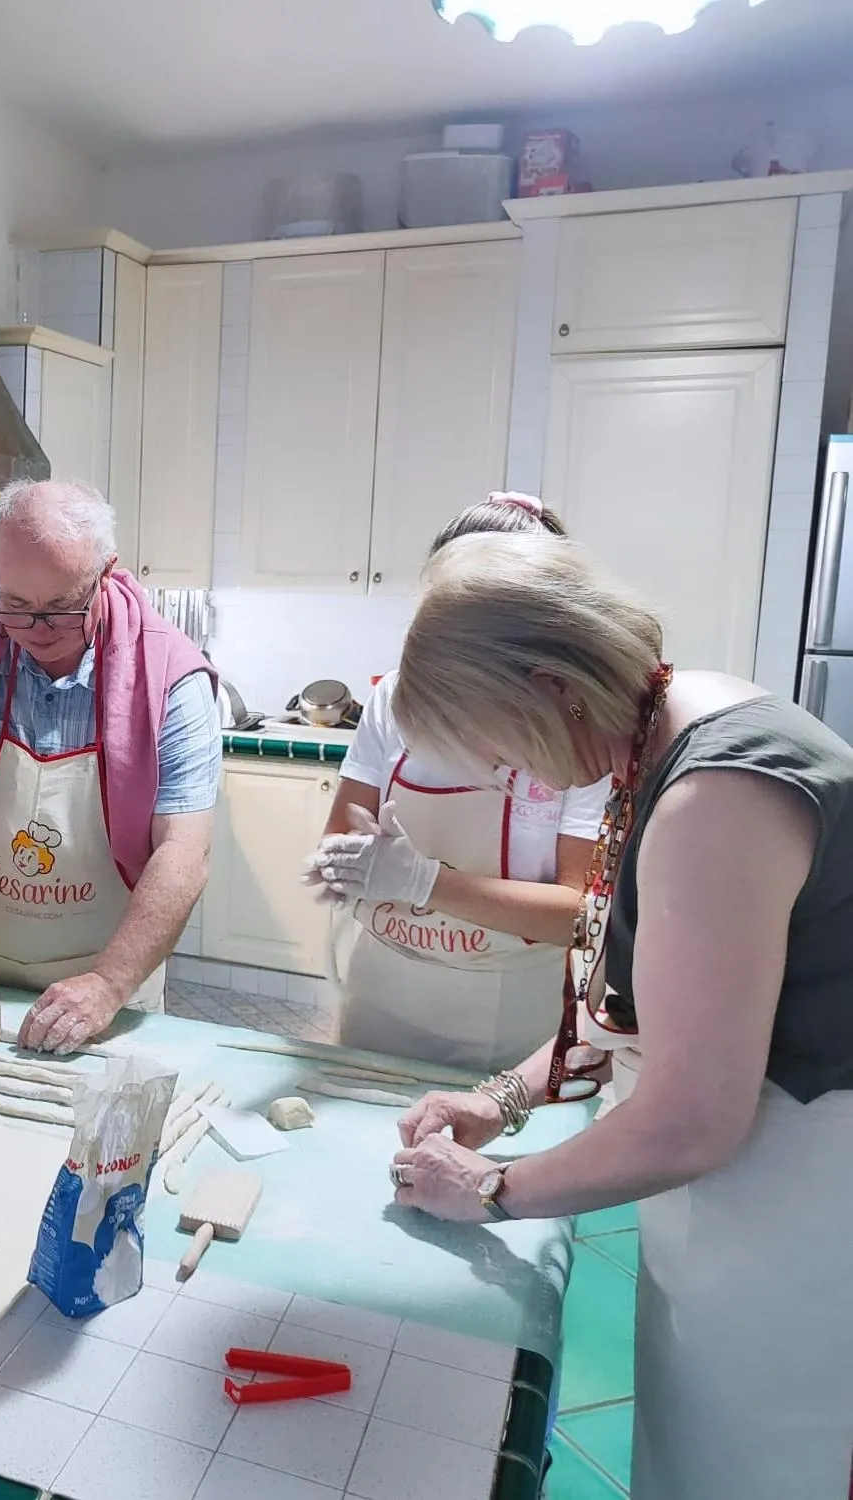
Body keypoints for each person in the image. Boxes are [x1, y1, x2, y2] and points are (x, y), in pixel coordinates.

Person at [384, 531, 853, 1500]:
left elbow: (694, 1118)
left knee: (754, 1471)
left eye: (504, 746)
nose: (516, 777)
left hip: (804, 1218)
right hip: (743, 1206)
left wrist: (492, 1185)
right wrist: (499, 1098)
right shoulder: (668, 731)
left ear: (553, 686)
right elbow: (622, 1010)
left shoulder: (714, 800)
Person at [0, 479, 221, 1054]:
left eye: (61, 609)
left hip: (110, 995)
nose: (38, 632)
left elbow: (184, 853)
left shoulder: (171, 679)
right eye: (15, 606)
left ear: (105, 573)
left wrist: (109, 983)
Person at [307, 495, 608, 1072]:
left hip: (509, 1017)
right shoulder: (394, 698)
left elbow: (583, 915)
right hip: (384, 991)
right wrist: (347, 862)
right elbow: (340, 833)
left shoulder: (576, 719)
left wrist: (424, 881)